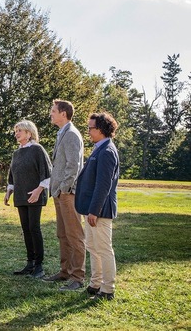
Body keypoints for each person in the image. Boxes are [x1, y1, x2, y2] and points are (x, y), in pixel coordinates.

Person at [75, 112, 120, 301]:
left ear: (101, 130)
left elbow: (104, 185)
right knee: (92, 246)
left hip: (100, 210)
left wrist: (94, 211)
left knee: (103, 248)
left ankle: (108, 289)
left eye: (90, 128)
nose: (88, 131)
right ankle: (95, 283)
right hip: (91, 209)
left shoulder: (107, 151)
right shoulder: (98, 148)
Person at [43, 99, 86, 291]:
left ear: (63, 113)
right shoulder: (62, 133)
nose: (50, 113)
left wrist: (64, 188)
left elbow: (73, 166)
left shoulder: (71, 135)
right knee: (62, 234)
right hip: (60, 193)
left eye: (53, 111)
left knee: (74, 235)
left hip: (68, 193)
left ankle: (77, 277)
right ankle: (64, 271)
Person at [4, 120, 52, 279]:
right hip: (21, 195)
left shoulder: (38, 150)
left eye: (20, 131)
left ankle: (39, 265)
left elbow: (47, 173)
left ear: (29, 133)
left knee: (34, 228)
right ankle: (30, 262)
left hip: (35, 195)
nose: (16, 133)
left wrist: (38, 191)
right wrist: (9, 191)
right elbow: (13, 175)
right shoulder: (16, 153)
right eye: (16, 131)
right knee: (26, 229)